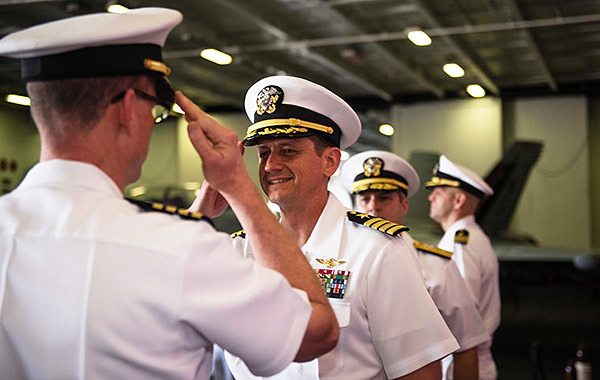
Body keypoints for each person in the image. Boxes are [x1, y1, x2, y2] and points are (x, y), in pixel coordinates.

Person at [0, 8, 339, 379]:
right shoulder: (179, 248)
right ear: (129, 109)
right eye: (155, 110)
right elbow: (317, 331)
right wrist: (239, 189)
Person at [195, 75, 459, 380]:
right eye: (264, 153)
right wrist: (200, 210)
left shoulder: (378, 251)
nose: (270, 165)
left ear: (330, 162)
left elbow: (418, 371)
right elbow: (155, 292)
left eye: (288, 151)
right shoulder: (238, 249)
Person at [341, 150, 490, 380]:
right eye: (364, 198)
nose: (372, 207)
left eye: (384, 198)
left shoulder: (436, 265)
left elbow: (467, 344)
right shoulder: (338, 264)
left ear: (404, 205)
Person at [425, 155, 501, 380]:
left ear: (458, 201)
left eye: (438, 192)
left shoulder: (460, 244)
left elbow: (461, 310)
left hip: (464, 362)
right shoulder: (466, 238)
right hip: (463, 357)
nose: (430, 197)